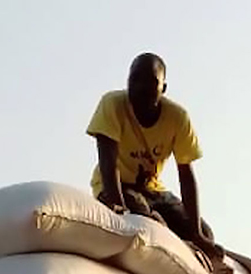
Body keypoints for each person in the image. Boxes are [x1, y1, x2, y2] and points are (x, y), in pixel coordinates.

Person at [87, 54, 223, 258]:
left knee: (206, 233)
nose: (141, 88)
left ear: (163, 88)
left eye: (150, 82)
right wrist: (120, 210)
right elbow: (109, 162)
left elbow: (186, 176)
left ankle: (187, 248)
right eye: (134, 80)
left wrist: (197, 234)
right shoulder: (113, 105)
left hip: (153, 191)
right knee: (151, 225)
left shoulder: (177, 118)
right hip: (117, 186)